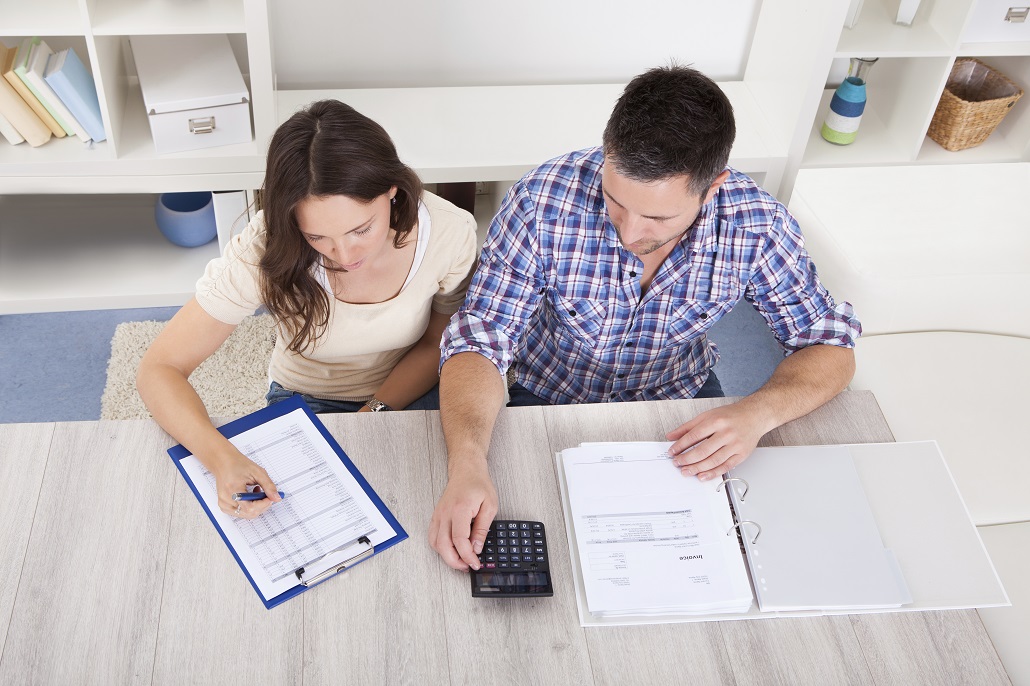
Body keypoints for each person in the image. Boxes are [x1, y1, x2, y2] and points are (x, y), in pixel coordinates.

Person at [428, 65, 862, 571]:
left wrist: (756, 413)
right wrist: (466, 461)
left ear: (712, 186)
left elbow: (829, 345)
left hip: (680, 399)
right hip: (542, 389)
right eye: (615, 201)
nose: (630, 232)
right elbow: (480, 339)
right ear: (608, 153)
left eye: (658, 217)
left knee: (727, 558)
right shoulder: (541, 201)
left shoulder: (758, 225)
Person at [137, 100, 479, 521]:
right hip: (308, 397)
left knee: (450, 509)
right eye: (317, 237)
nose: (344, 253)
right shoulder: (266, 247)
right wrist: (221, 457)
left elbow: (438, 341)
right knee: (293, 523)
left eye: (361, 229)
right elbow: (160, 368)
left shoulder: (449, 232)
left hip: (412, 387)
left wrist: (373, 411)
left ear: (393, 191)